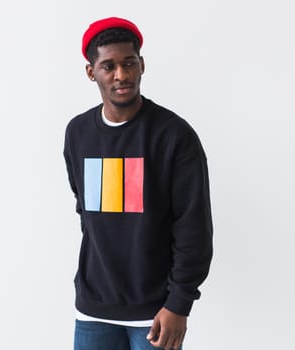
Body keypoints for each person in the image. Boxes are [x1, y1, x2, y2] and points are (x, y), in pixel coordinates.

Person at [63, 17, 214, 350]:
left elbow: (194, 227)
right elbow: (85, 210)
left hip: (156, 312)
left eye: (129, 63)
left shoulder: (174, 136)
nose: (121, 75)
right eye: (109, 66)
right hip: (93, 310)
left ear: (141, 65)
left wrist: (179, 302)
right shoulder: (77, 133)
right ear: (91, 72)